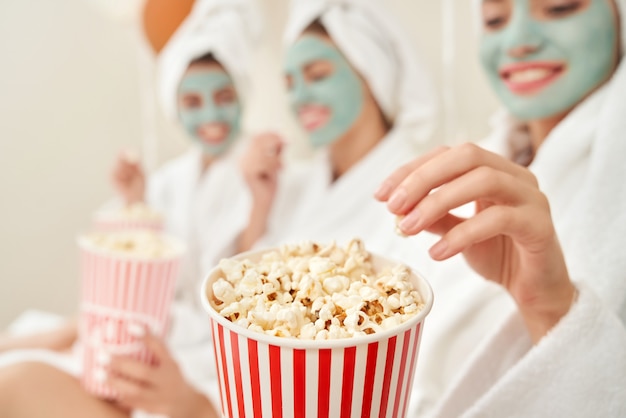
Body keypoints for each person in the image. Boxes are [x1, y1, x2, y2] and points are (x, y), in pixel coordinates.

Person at [0, 0, 263, 416]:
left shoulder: (261, 168)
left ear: (242, 93)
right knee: (43, 351)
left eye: (223, 96)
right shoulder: (173, 179)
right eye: (193, 102)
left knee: (21, 379)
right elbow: (142, 259)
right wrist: (136, 200)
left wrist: (260, 198)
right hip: (144, 323)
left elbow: (249, 281)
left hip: (195, 346)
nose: (211, 114)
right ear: (175, 107)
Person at [376, 0, 626, 415]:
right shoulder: (467, 173)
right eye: (494, 19)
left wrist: (549, 307)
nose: (519, 40)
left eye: (559, 7)